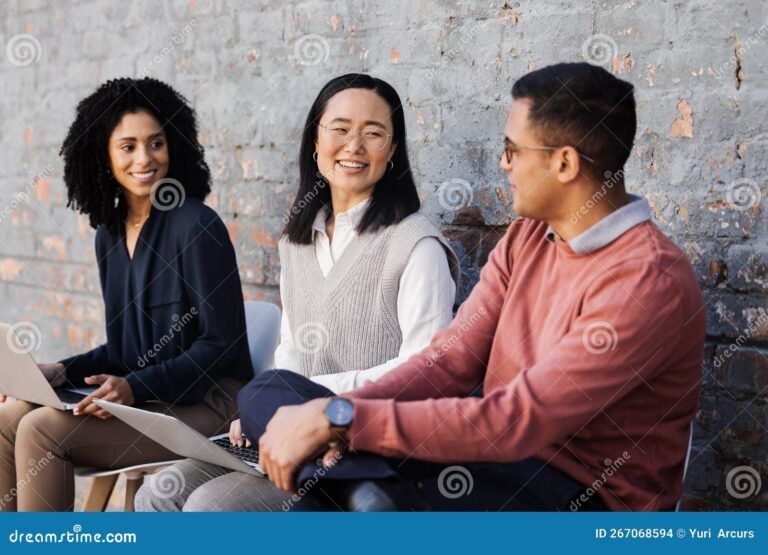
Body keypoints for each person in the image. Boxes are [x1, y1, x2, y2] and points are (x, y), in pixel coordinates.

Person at [243, 62, 707, 511]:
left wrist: (341, 421)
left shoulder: (647, 280)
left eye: (513, 149)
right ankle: (360, 494)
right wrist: (334, 417)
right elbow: (449, 362)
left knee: (319, 499)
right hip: (490, 460)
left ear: (564, 163)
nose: (503, 164)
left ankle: (354, 493)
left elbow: (517, 421)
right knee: (266, 392)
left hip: (574, 492)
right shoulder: (528, 236)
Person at [135, 73, 460, 512]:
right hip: (288, 427)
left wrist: (306, 399)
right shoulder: (297, 241)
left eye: (374, 133)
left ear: (394, 150)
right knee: (159, 491)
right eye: (340, 129)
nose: (354, 146)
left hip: (364, 446)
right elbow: (291, 351)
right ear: (315, 140)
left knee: (210, 508)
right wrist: (266, 410)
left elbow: (424, 375)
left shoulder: (416, 245)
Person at [0, 78, 252, 511]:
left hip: (211, 402)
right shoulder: (109, 235)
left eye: (156, 143)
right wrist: (60, 372)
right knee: (8, 418)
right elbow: (124, 349)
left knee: (41, 429)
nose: (145, 158)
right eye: (128, 146)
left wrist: (135, 387)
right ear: (104, 155)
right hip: (150, 399)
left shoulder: (196, 225)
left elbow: (221, 344)